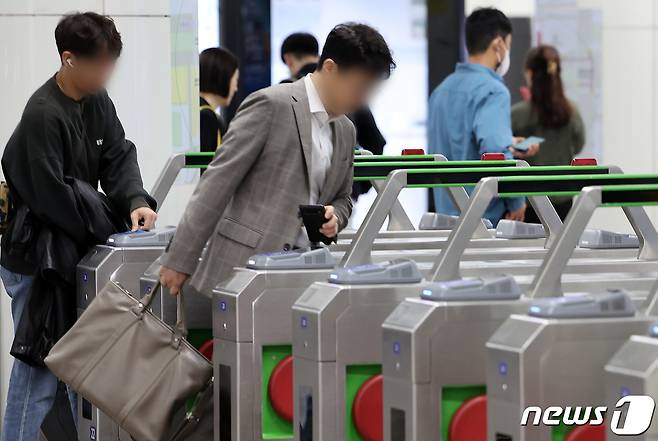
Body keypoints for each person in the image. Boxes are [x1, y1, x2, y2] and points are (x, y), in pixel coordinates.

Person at [1, 12, 157, 441]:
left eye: (111, 63)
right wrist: (107, 224)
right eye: (99, 64)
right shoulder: (42, 116)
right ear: (69, 59)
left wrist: (136, 201)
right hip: (37, 258)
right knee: (41, 368)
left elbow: (119, 156)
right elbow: (55, 200)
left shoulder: (97, 100)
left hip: (71, 249)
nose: (107, 74)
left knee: (80, 365)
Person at [159, 23, 395, 296]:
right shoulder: (271, 104)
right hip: (242, 271)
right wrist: (180, 258)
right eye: (359, 87)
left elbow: (343, 197)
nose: (363, 99)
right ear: (330, 68)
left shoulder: (345, 129)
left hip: (303, 277)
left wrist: (335, 217)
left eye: (370, 90)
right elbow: (216, 183)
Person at [427, 7, 539, 225]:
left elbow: (450, 144)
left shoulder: (441, 91)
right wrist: (517, 201)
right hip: (483, 222)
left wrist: (509, 142)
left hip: (444, 220)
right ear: (498, 44)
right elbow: (496, 154)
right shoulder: (493, 91)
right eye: (508, 45)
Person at [280, 32, 387, 199]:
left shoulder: (283, 93)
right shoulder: (348, 88)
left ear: (288, 59)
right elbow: (376, 142)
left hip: (292, 198)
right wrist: (356, 184)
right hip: (339, 198)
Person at [512, 45, 586, 221]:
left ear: (529, 73)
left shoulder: (517, 114)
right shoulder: (572, 111)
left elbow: (506, 149)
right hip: (563, 199)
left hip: (526, 203)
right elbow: (579, 145)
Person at [199, 47, 239, 152]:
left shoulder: (198, 109)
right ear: (223, 77)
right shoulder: (207, 116)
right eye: (235, 80)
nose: (235, 88)